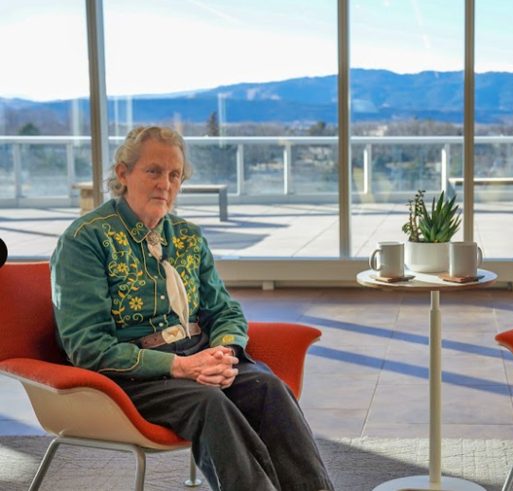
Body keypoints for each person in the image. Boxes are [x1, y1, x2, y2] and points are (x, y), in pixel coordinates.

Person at [50, 126, 334, 491]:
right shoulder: (85, 240)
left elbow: (223, 309)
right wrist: (181, 366)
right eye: (153, 171)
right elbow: (88, 347)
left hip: (198, 351)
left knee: (267, 388)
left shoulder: (187, 236)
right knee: (209, 403)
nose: (165, 184)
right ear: (123, 173)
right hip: (133, 375)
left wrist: (223, 353)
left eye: (175, 175)